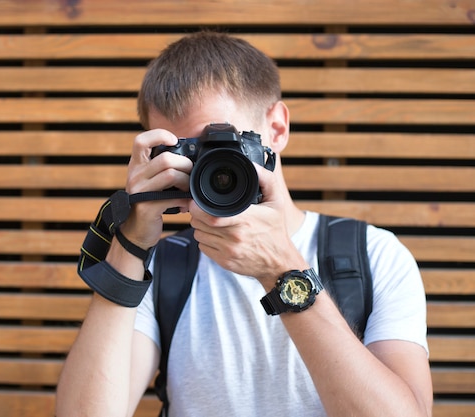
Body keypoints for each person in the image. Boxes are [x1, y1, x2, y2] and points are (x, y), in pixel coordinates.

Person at [55, 31, 433, 417]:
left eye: (219, 145)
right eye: (185, 154)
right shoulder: (161, 267)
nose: (207, 169)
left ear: (277, 129)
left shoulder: (373, 255)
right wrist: (129, 248)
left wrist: (283, 272)